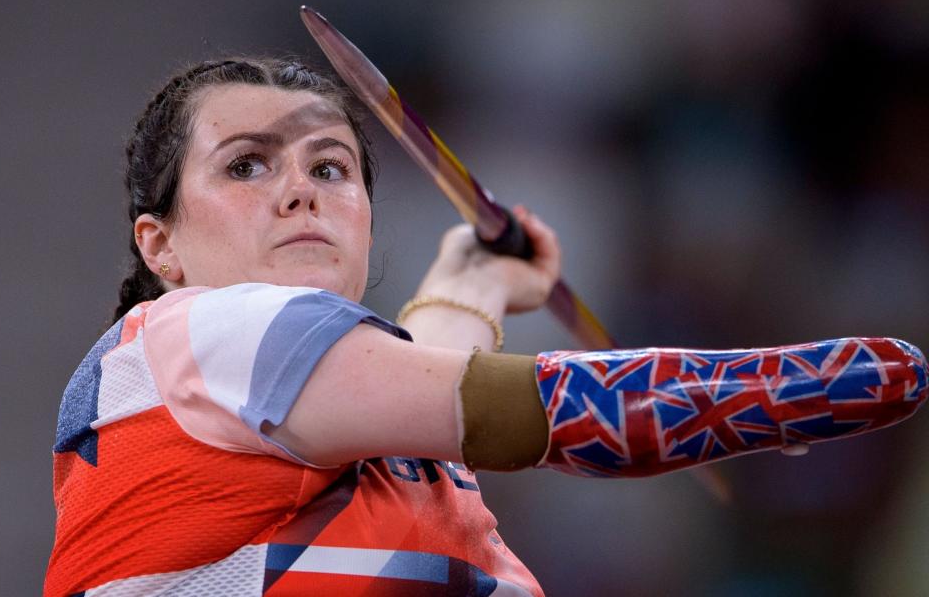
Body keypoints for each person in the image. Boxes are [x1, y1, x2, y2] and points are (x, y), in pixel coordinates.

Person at [45, 58, 928, 597]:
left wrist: (474, 275)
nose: (301, 189)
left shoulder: (301, 401)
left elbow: (428, 376)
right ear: (160, 245)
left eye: (332, 165)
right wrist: (771, 395)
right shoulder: (196, 332)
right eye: (246, 165)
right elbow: (542, 409)